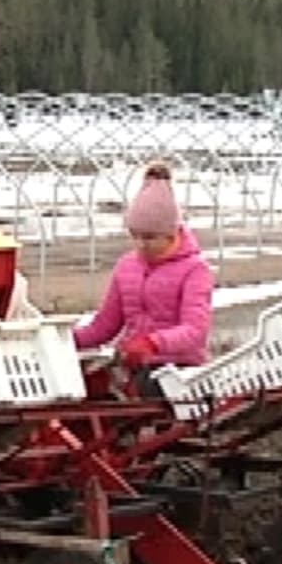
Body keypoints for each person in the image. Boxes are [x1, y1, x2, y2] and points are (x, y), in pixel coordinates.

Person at [72, 161, 215, 397]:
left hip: (179, 369)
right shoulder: (126, 266)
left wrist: (153, 343)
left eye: (149, 237)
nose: (140, 244)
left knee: (148, 386)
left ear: (171, 234)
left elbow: (194, 330)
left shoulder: (195, 269)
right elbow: (104, 326)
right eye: (134, 236)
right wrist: (66, 340)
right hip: (135, 365)